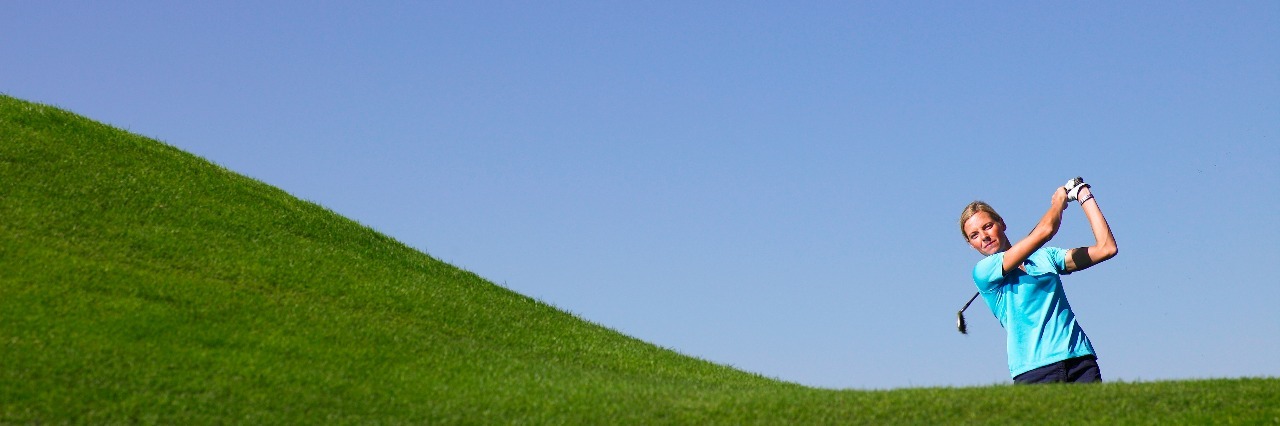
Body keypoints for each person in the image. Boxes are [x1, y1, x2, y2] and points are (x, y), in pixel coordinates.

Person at [959, 178, 1117, 384]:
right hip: (1034, 371)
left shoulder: (1046, 258)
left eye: (987, 226)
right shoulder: (983, 272)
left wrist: (1083, 195)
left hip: (1079, 359)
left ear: (1002, 224)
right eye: (974, 235)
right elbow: (1046, 230)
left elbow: (1106, 248)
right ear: (971, 244)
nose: (984, 236)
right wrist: (1059, 201)